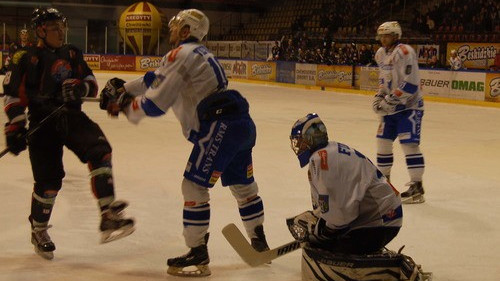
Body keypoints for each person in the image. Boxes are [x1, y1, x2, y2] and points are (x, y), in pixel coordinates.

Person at [98, 9, 269, 277]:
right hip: (241, 125)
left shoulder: (180, 53)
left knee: (193, 186)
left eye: (177, 25)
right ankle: (259, 240)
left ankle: (197, 252)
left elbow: (155, 104)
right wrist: (124, 88)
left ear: (187, 31)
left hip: (219, 126)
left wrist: (123, 107)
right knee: (243, 185)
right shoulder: (198, 54)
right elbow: (153, 79)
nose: (171, 28)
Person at [2, 8, 134, 260]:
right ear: (40, 30)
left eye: (61, 26)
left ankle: (107, 215)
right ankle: (39, 229)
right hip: (42, 122)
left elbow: (91, 82)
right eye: (54, 27)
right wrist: (16, 127)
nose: (60, 31)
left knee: (100, 150)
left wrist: (81, 88)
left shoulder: (72, 52)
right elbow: (12, 94)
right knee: (49, 183)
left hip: (71, 117)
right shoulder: (24, 57)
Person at [286, 113, 402, 254]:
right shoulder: (329, 151)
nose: (297, 145)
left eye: (299, 140)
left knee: (326, 250)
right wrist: (321, 219)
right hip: (384, 215)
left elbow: (340, 215)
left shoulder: (322, 160)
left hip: (380, 222)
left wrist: (324, 232)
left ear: (310, 139)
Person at [372, 21, 426, 204]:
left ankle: (417, 187)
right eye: (381, 36)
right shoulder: (380, 53)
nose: (382, 39)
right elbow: (384, 79)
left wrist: (389, 100)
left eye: (386, 35)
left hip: (409, 107)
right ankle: (385, 184)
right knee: (382, 142)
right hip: (391, 109)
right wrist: (380, 95)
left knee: (409, 145)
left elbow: (410, 84)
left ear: (396, 36)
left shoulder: (405, 52)